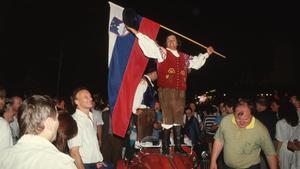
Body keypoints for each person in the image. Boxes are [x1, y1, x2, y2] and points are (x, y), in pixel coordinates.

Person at [127, 26, 214, 155]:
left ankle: (178, 146)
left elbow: (196, 62)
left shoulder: (185, 57)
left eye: (173, 40)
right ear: (166, 43)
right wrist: (138, 34)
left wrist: (207, 53)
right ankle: (166, 147)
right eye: (168, 40)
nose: (171, 42)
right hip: (166, 91)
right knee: (168, 118)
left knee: (178, 118)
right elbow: (151, 46)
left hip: (181, 91)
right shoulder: (162, 53)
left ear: (177, 43)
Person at [0, 95, 77, 169]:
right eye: (56, 118)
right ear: (49, 123)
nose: (58, 123)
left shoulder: (4, 158)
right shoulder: (61, 163)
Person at [210, 99, 277, 169]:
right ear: (234, 113)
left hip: (250, 167)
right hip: (227, 167)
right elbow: (219, 140)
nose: (241, 122)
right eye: (238, 119)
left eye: (246, 119)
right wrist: (213, 160)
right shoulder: (226, 121)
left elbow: (270, 154)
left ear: (252, 114)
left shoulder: (260, 130)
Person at [68, 87, 103, 169]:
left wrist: (97, 159)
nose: (90, 98)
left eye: (90, 96)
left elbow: (90, 142)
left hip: (92, 163)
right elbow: (74, 152)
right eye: (86, 97)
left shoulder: (91, 116)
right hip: (83, 164)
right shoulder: (75, 120)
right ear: (77, 102)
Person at [275, 102, 299, 169]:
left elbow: (280, 141)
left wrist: (276, 153)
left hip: (284, 149)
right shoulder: (296, 121)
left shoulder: (280, 123)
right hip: (294, 148)